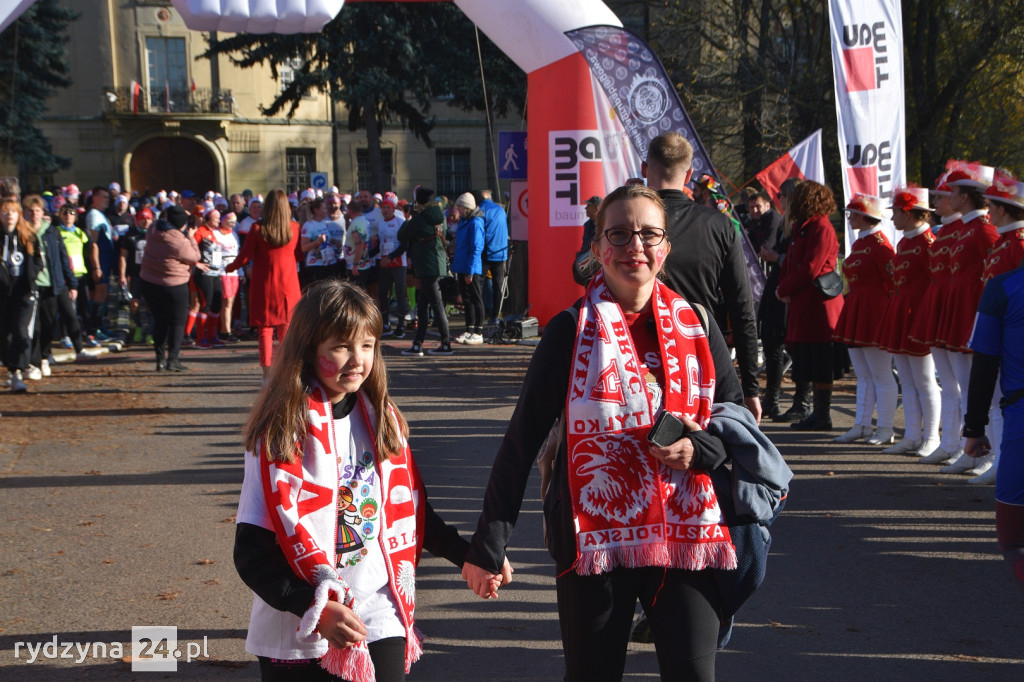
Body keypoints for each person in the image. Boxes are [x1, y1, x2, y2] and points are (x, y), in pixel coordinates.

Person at [462, 184, 746, 681]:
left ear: (665, 248)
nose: (635, 246)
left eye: (648, 234)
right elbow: (523, 439)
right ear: (597, 249)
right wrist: (490, 542)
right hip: (592, 538)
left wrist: (697, 449)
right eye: (619, 234)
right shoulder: (569, 330)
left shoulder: (698, 324)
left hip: (687, 533)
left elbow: (734, 423)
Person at [233, 279, 485, 681]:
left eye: (367, 345)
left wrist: (470, 555)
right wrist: (314, 607)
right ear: (308, 349)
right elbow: (252, 553)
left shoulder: (383, 420)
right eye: (340, 346)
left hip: (377, 611)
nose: (356, 359)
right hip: (298, 623)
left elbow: (411, 514)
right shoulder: (279, 435)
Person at [642, 132, 762, 422]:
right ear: (689, 174)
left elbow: (582, 274)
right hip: (700, 358)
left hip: (637, 358)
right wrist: (751, 386)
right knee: (702, 453)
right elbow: (742, 309)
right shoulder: (719, 226)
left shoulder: (624, 224)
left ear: (645, 169)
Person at [962, 256, 1024, 589]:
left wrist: (974, 430)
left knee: (1013, 541)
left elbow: (984, 365)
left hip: (1021, 422)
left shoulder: (1003, 286)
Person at [937, 164, 998, 475]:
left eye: (953, 192)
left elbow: (993, 279)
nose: (949, 197)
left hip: (975, 311)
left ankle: (987, 455)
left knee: (979, 386)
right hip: (961, 309)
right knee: (963, 384)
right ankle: (966, 448)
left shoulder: (985, 231)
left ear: (966, 196)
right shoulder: (967, 229)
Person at [963, 173, 1024, 485]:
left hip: (1010, 332)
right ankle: (1000, 460)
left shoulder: (1017, 243)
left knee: (1005, 398)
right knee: (999, 398)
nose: (989, 212)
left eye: (992, 206)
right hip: (996, 325)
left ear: (1003, 209)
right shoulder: (1004, 241)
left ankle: (1003, 462)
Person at [874, 188, 940, 455]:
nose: (891, 219)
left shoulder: (928, 242)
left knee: (925, 380)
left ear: (908, 213)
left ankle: (932, 437)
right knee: (909, 381)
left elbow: (933, 283)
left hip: (919, 313)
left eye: (895, 213)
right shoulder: (903, 243)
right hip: (902, 311)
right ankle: (912, 436)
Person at [776, 180, 845, 431]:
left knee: (820, 361)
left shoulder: (821, 228)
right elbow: (793, 263)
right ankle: (815, 413)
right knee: (810, 360)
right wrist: (783, 286)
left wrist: (784, 288)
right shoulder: (803, 228)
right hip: (805, 304)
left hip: (819, 306)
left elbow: (811, 268)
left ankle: (822, 414)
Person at [911, 167, 967, 464]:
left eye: (943, 196)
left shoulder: (973, 232)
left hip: (961, 308)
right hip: (943, 305)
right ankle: (949, 442)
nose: (937, 201)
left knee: (964, 385)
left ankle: (963, 445)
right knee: (950, 381)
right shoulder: (948, 232)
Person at [832, 194, 898, 444]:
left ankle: (885, 428)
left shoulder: (881, 245)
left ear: (863, 216)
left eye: (852, 214)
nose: (849, 218)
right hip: (859, 308)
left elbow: (892, 281)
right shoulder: (861, 243)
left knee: (881, 374)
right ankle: (862, 425)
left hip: (875, 313)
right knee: (864, 374)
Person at [225, 188, 302, 378]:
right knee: (286, 328)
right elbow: (299, 255)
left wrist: (229, 267)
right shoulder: (294, 228)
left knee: (265, 330)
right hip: (288, 284)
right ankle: (285, 370)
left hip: (265, 285)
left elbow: (244, 256)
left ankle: (267, 373)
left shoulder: (258, 229)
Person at [759, 178, 811, 422]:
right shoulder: (784, 224)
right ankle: (772, 398)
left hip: (789, 287)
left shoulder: (802, 227)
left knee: (793, 345)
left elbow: (801, 262)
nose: (778, 200)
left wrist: (776, 256)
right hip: (777, 284)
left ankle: (801, 400)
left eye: (781, 196)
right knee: (771, 341)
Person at [140, 205, 200, 371]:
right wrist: (191, 237)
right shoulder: (180, 242)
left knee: (160, 320)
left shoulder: (153, 229)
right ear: (181, 224)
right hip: (174, 285)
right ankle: (172, 359)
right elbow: (195, 257)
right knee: (177, 322)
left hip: (149, 282)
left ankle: (159, 359)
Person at [398, 187, 453, 357]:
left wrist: (408, 218)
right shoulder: (440, 217)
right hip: (436, 264)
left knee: (436, 306)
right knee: (423, 306)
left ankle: (445, 344)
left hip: (426, 266)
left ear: (419, 202)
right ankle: (417, 344)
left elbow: (402, 235)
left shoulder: (420, 219)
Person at [1, 198, 43, 392]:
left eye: (13, 212)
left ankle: (18, 371)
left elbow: (38, 261)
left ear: (18, 215)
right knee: (4, 333)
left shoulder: (28, 236)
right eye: (5, 211)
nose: (9, 215)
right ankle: (9, 368)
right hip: (3, 293)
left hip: (24, 292)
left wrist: (31, 278)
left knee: (21, 332)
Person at [451, 193, 485, 345]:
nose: (457, 209)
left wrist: (471, 270)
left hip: (471, 267)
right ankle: (469, 329)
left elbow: (476, 247)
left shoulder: (475, 223)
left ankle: (478, 331)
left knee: (476, 299)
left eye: (459, 206)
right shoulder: (465, 221)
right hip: (462, 265)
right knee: (467, 300)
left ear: (466, 207)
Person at [376, 192, 409, 339]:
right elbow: (380, 244)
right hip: (384, 264)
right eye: (383, 208)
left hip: (398, 263)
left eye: (388, 208)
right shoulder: (381, 223)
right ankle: (385, 324)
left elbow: (405, 244)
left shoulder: (400, 221)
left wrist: (391, 257)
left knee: (401, 294)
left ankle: (401, 326)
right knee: (383, 294)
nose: (385, 210)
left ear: (393, 208)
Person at [85, 186, 115, 340]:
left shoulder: (101, 215)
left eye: (107, 197)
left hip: (106, 259)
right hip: (100, 260)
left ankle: (99, 326)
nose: (107, 200)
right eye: (103, 197)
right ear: (94, 198)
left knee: (103, 295)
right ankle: (93, 329)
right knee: (99, 295)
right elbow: (93, 243)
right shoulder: (94, 215)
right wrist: (96, 266)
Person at [192, 208, 226, 348]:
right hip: (204, 274)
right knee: (206, 304)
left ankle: (212, 335)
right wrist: (196, 263)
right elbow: (189, 248)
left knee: (217, 304)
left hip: (215, 273)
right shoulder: (200, 232)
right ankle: (201, 338)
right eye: (216, 218)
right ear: (209, 218)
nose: (218, 220)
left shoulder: (214, 233)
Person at [118, 206, 152, 343]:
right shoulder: (130, 235)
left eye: (148, 218)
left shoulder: (155, 234)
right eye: (143, 219)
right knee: (134, 303)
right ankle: (138, 327)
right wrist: (122, 275)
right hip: (136, 274)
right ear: (137, 220)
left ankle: (151, 332)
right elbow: (122, 256)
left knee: (151, 304)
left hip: (151, 275)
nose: (145, 221)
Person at [478, 189, 509, 322]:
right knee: (498, 286)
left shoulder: (481, 210)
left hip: (486, 252)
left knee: (478, 285)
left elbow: (479, 232)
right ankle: (496, 315)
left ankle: (480, 315)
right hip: (501, 252)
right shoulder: (501, 210)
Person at [299, 197, 337, 288]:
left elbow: (326, 239)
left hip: (328, 262)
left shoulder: (323, 222)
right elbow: (304, 247)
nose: (326, 210)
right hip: (316, 266)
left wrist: (335, 241)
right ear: (316, 210)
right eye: (324, 208)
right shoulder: (309, 225)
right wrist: (317, 242)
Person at [215, 211, 241, 342]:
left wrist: (240, 272)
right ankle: (225, 331)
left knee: (231, 302)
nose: (232, 224)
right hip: (223, 270)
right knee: (226, 302)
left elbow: (238, 254)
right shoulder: (216, 234)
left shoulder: (234, 234)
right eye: (230, 221)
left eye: (234, 221)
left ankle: (226, 329)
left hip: (234, 272)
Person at [572, 195, 602, 286]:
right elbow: (585, 246)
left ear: (595, 209)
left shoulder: (605, 226)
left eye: (588, 206)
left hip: (599, 271)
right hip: (587, 269)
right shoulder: (588, 225)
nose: (585, 208)